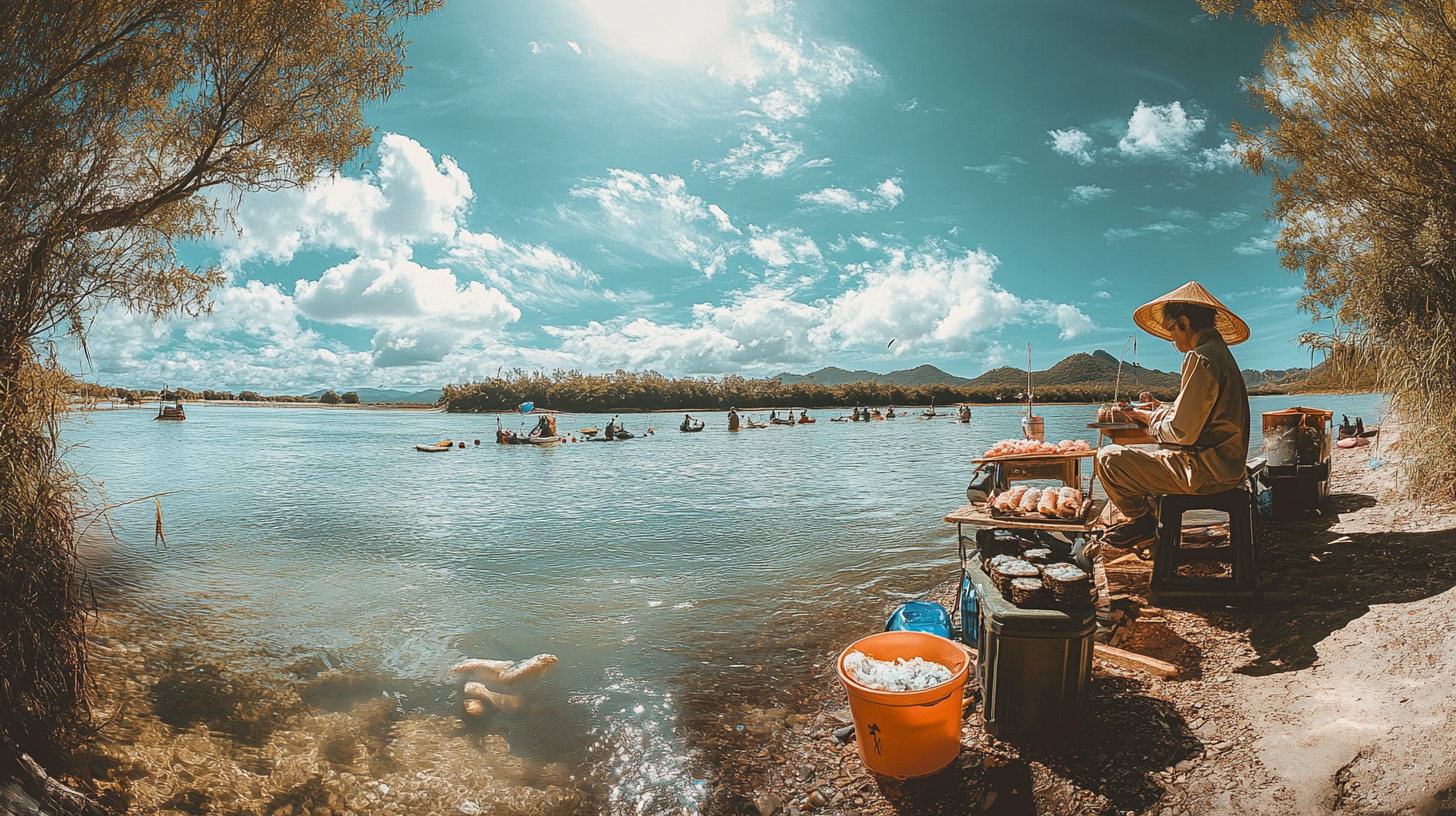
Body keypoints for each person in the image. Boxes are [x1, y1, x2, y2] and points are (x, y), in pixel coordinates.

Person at [1096, 282, 1251, 547]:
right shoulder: (1218, 354)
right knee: (1146, 453)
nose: (1171, 338)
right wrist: (1160, 409)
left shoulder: (1201, 358)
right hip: (1225, 466)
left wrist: (1143, 417)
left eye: (1171, 329)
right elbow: (1199, 416)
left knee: (1108, 459)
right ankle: (1152, 519)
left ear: (1184, 322)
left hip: (1207, 471)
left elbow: (1182, 432)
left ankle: (1142, 521)